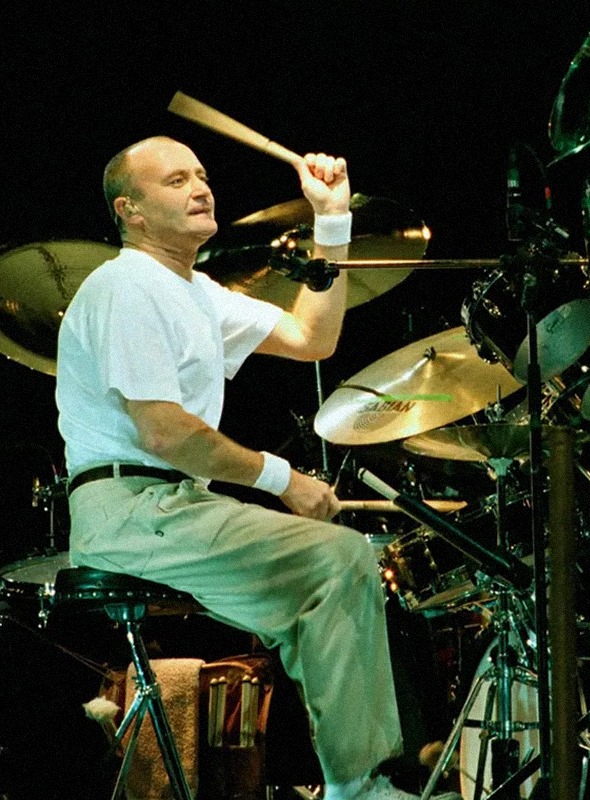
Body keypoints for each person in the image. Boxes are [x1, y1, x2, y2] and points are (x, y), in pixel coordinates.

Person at [56, 135, 459, 800]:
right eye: (176, 180)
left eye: (202, 175)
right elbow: (163, 432)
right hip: (129, 511)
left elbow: (313, 337)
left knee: (330, 582)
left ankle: (357, 775)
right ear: (131, 210)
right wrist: (284, 479)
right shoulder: (125, 284)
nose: (201, 187)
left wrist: (332, 220)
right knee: (338, 559)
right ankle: (360, 786)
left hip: (172, 506)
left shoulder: (197, 292)